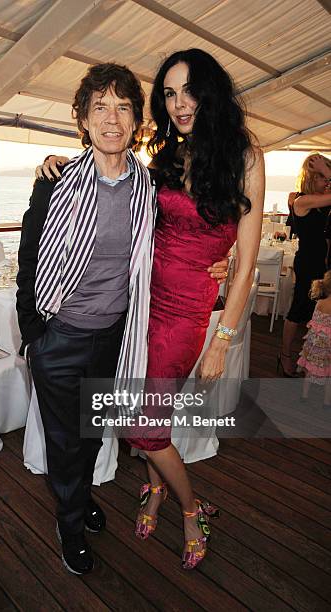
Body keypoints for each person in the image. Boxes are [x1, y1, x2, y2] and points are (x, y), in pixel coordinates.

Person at [16, 62, 228, 576]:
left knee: (92, 435)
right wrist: (35, 337)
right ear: (82, 121)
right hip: (61, 336)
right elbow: (26, 262)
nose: (112, 119)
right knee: (64, 442)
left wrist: (226, 261)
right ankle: (70, 525)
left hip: (117, 338)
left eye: (123, 107)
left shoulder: (149, 188)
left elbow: (187, 232)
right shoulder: (56, 182)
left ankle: (80, 497)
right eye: (99, 108)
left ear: (138, 121)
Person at [123, 49, 264, 570]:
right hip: (143, 301)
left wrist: (223, 340)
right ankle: (154, 490)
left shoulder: (246, 156)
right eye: (169, 93)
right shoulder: (165, 153)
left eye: (189, 91)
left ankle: (189, 506)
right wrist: (59, 168)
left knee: (145, 427)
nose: (179, 104)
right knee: (151, 412)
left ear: (212, 93)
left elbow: (247, 264)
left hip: (185, 311)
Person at [280, 153, 331, 377]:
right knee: (299, 310)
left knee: (318, 315)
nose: (327, 182)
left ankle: (310, 360)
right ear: (312, 177)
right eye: (323, 178)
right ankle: (284, 356)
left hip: (324, 266)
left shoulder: (323, 199)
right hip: (309, 265)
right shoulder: (302, 201)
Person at [297, 270, 331, 407]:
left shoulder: (320, 303)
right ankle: (326, 401)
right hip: (328, 349)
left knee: (309, 371)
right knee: (329, 375)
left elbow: (314, 323)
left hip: (315, 346)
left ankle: (304, 396)